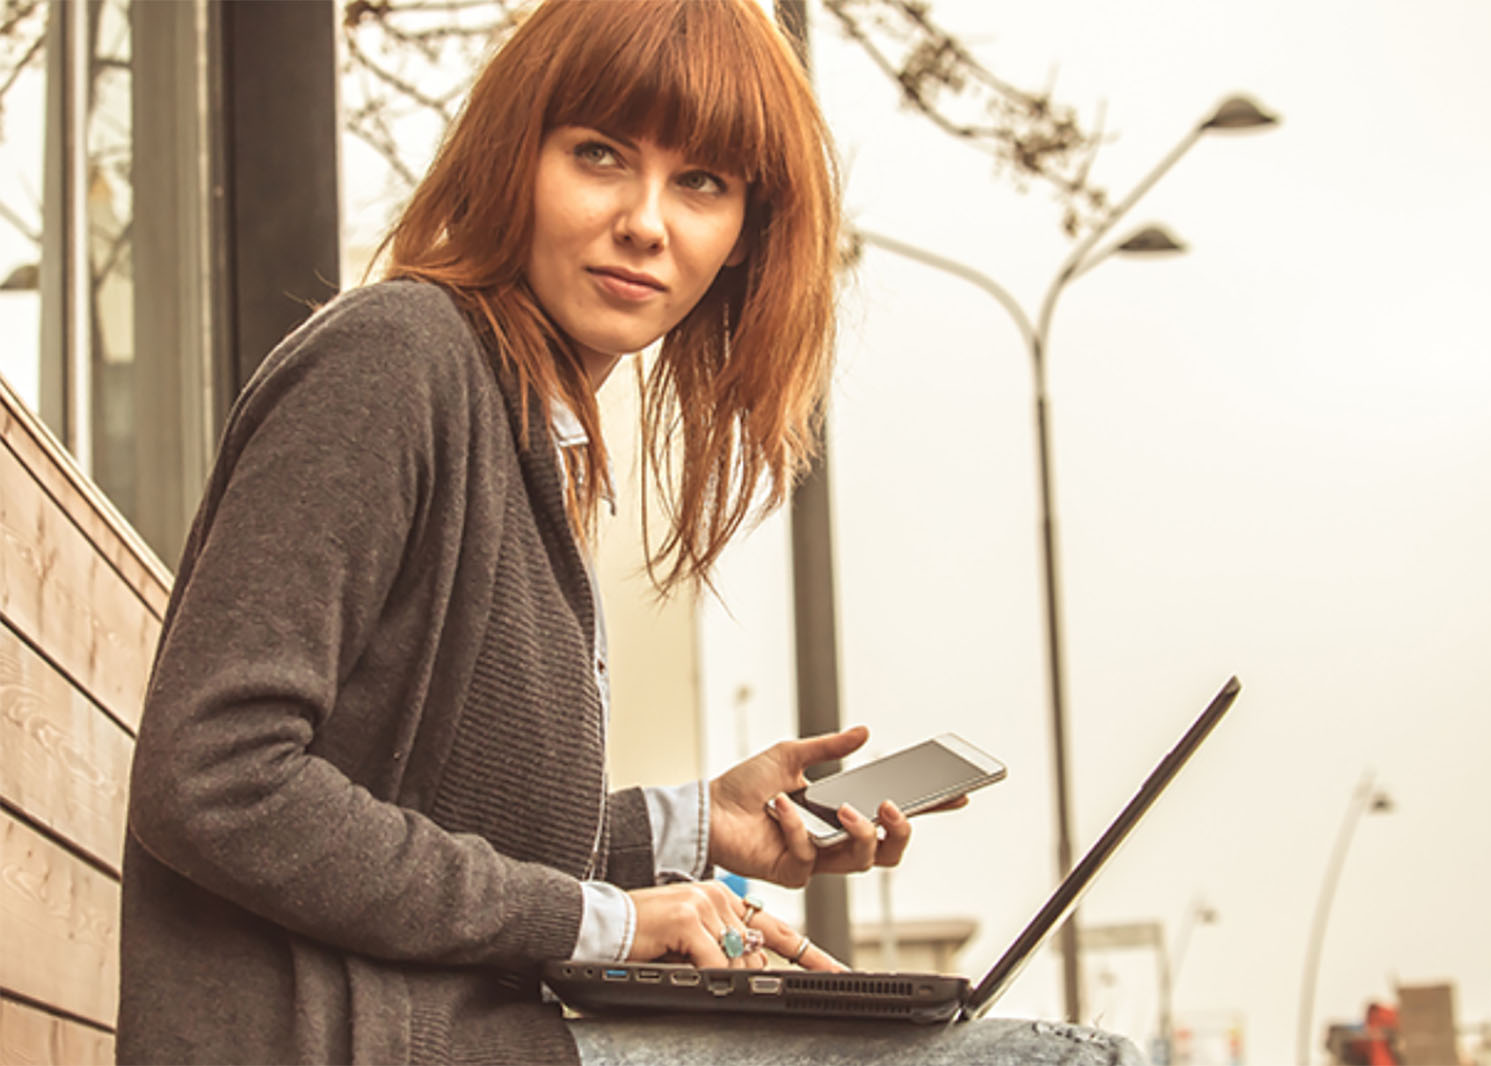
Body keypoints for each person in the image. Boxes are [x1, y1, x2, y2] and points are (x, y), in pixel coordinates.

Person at [117, 2, 1142, 1063]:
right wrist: (608, 921)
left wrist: (698, 826)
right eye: (600, 155)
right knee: (1065, 1058)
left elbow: (445, 833)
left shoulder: (528, 430)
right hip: (352, 1041)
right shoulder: (396, 360)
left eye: (701, 182)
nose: (647, 221)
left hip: (467, 1033)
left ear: (745, 231)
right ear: (517, 159)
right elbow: (215, 781)